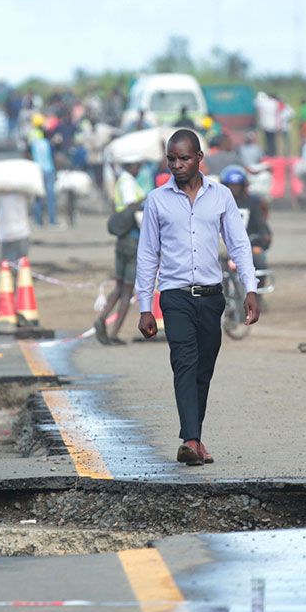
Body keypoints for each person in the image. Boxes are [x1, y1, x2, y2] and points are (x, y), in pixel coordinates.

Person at [136, 129, 259, 466]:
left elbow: (238, 244)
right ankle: (190, 440)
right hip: (175, 297)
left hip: (211, 297)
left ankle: (196, 438)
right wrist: (146, 307)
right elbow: (148, 255)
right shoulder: (157, 200)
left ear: (199, 158)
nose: (177, 165)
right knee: (184, 363)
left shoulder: (221, 196)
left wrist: (251, 288)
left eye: (184, 158)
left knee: (203, 369)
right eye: (171, 159)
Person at [95, 161, 146, 345]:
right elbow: (132, 206)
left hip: (122, 241)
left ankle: (101, 318)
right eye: (137, 166)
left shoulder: (121, 182)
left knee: (118, 287)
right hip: (133, 242)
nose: (138, 168)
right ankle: (114, 333)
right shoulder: (128, 183)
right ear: (131, 167)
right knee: (127, 291)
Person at [0, 185, 32, 265]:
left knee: (7, 266)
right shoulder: (21, 191)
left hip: (5, 232)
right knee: (22, 265)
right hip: (21, 231)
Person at [28, 125, 58, 227]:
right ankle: (52, 220)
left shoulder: (34, 144)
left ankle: (38, 220)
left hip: (37, 171)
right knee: (50, 196)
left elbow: (30, 155)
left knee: (38, 196)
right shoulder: (48, 143)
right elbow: (53, 156)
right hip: (49, 170)